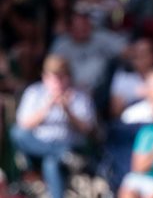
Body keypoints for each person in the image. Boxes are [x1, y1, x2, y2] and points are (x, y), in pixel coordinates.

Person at [10, 55, 96, 198]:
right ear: (45, 77)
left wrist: (67, 110)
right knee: (16, 133)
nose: (57, 82)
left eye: (61, 77)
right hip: (38, 148)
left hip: (70, 145)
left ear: (68, 77)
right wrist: (47, 107)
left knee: (51, 163)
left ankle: (61, 156)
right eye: (53, 78)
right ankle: (61, 154)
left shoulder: (80, 96)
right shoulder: (34, 92)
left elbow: (87, 129)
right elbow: (23, 124)